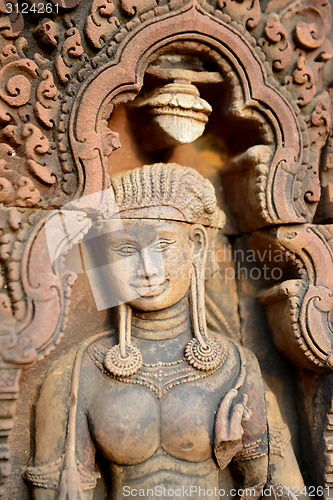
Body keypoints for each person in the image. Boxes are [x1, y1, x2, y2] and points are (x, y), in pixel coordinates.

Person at [25, 163, 269, 499]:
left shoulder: (236, 368)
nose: (147, 270)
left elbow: (280, 487)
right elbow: (54, 493)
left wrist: (249, 465)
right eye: (126, 250)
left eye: (163, 246)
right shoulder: (77, 373)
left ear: (196, 244)